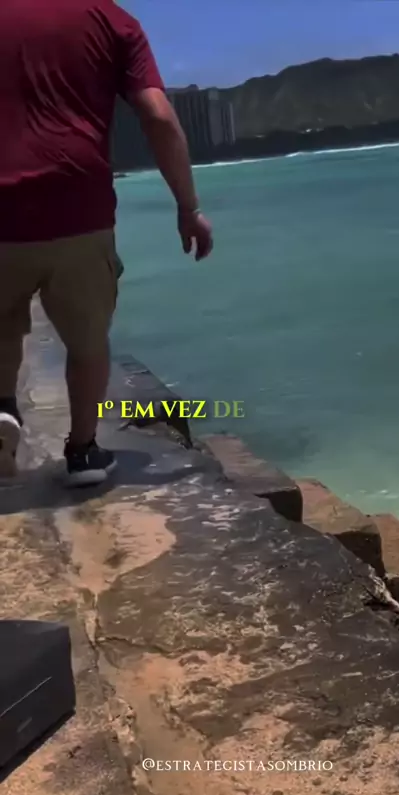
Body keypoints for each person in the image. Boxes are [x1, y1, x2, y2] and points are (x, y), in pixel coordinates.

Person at [0, 0, 213, 486]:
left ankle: (3, 410)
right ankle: (82, 453)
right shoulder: (112, 21)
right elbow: (157, 116)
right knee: (88, 342)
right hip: (79, 212)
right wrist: (188, 207)